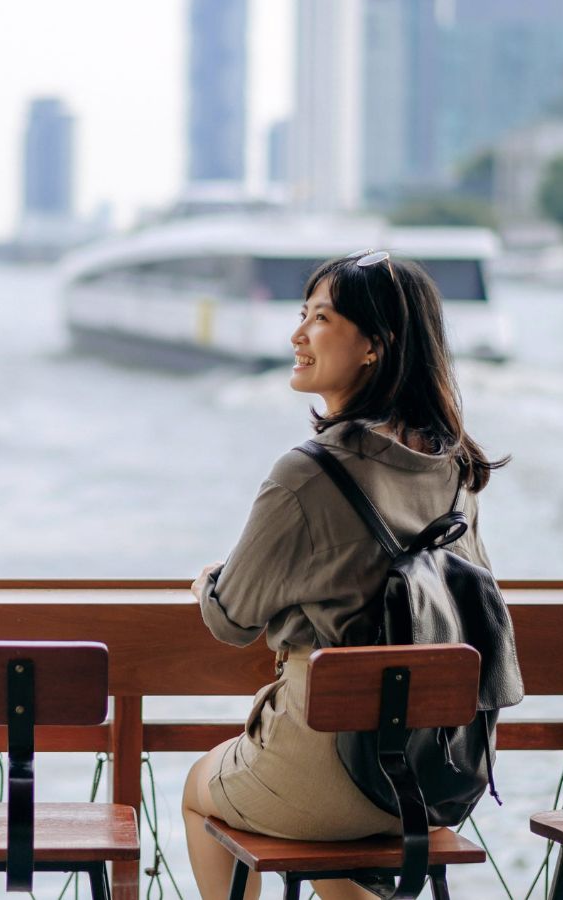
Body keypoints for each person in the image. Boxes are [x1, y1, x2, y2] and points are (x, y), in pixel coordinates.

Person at [181, 251, 507, 900]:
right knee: (331, 850)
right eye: (301, 315)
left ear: (373, 348)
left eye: (321, 318)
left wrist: (207, 583)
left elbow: (231, 620)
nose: (297, 334)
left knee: (198, 791)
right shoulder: (454, 469)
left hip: (327, 769)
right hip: (432, 775)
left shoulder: (305, 475)